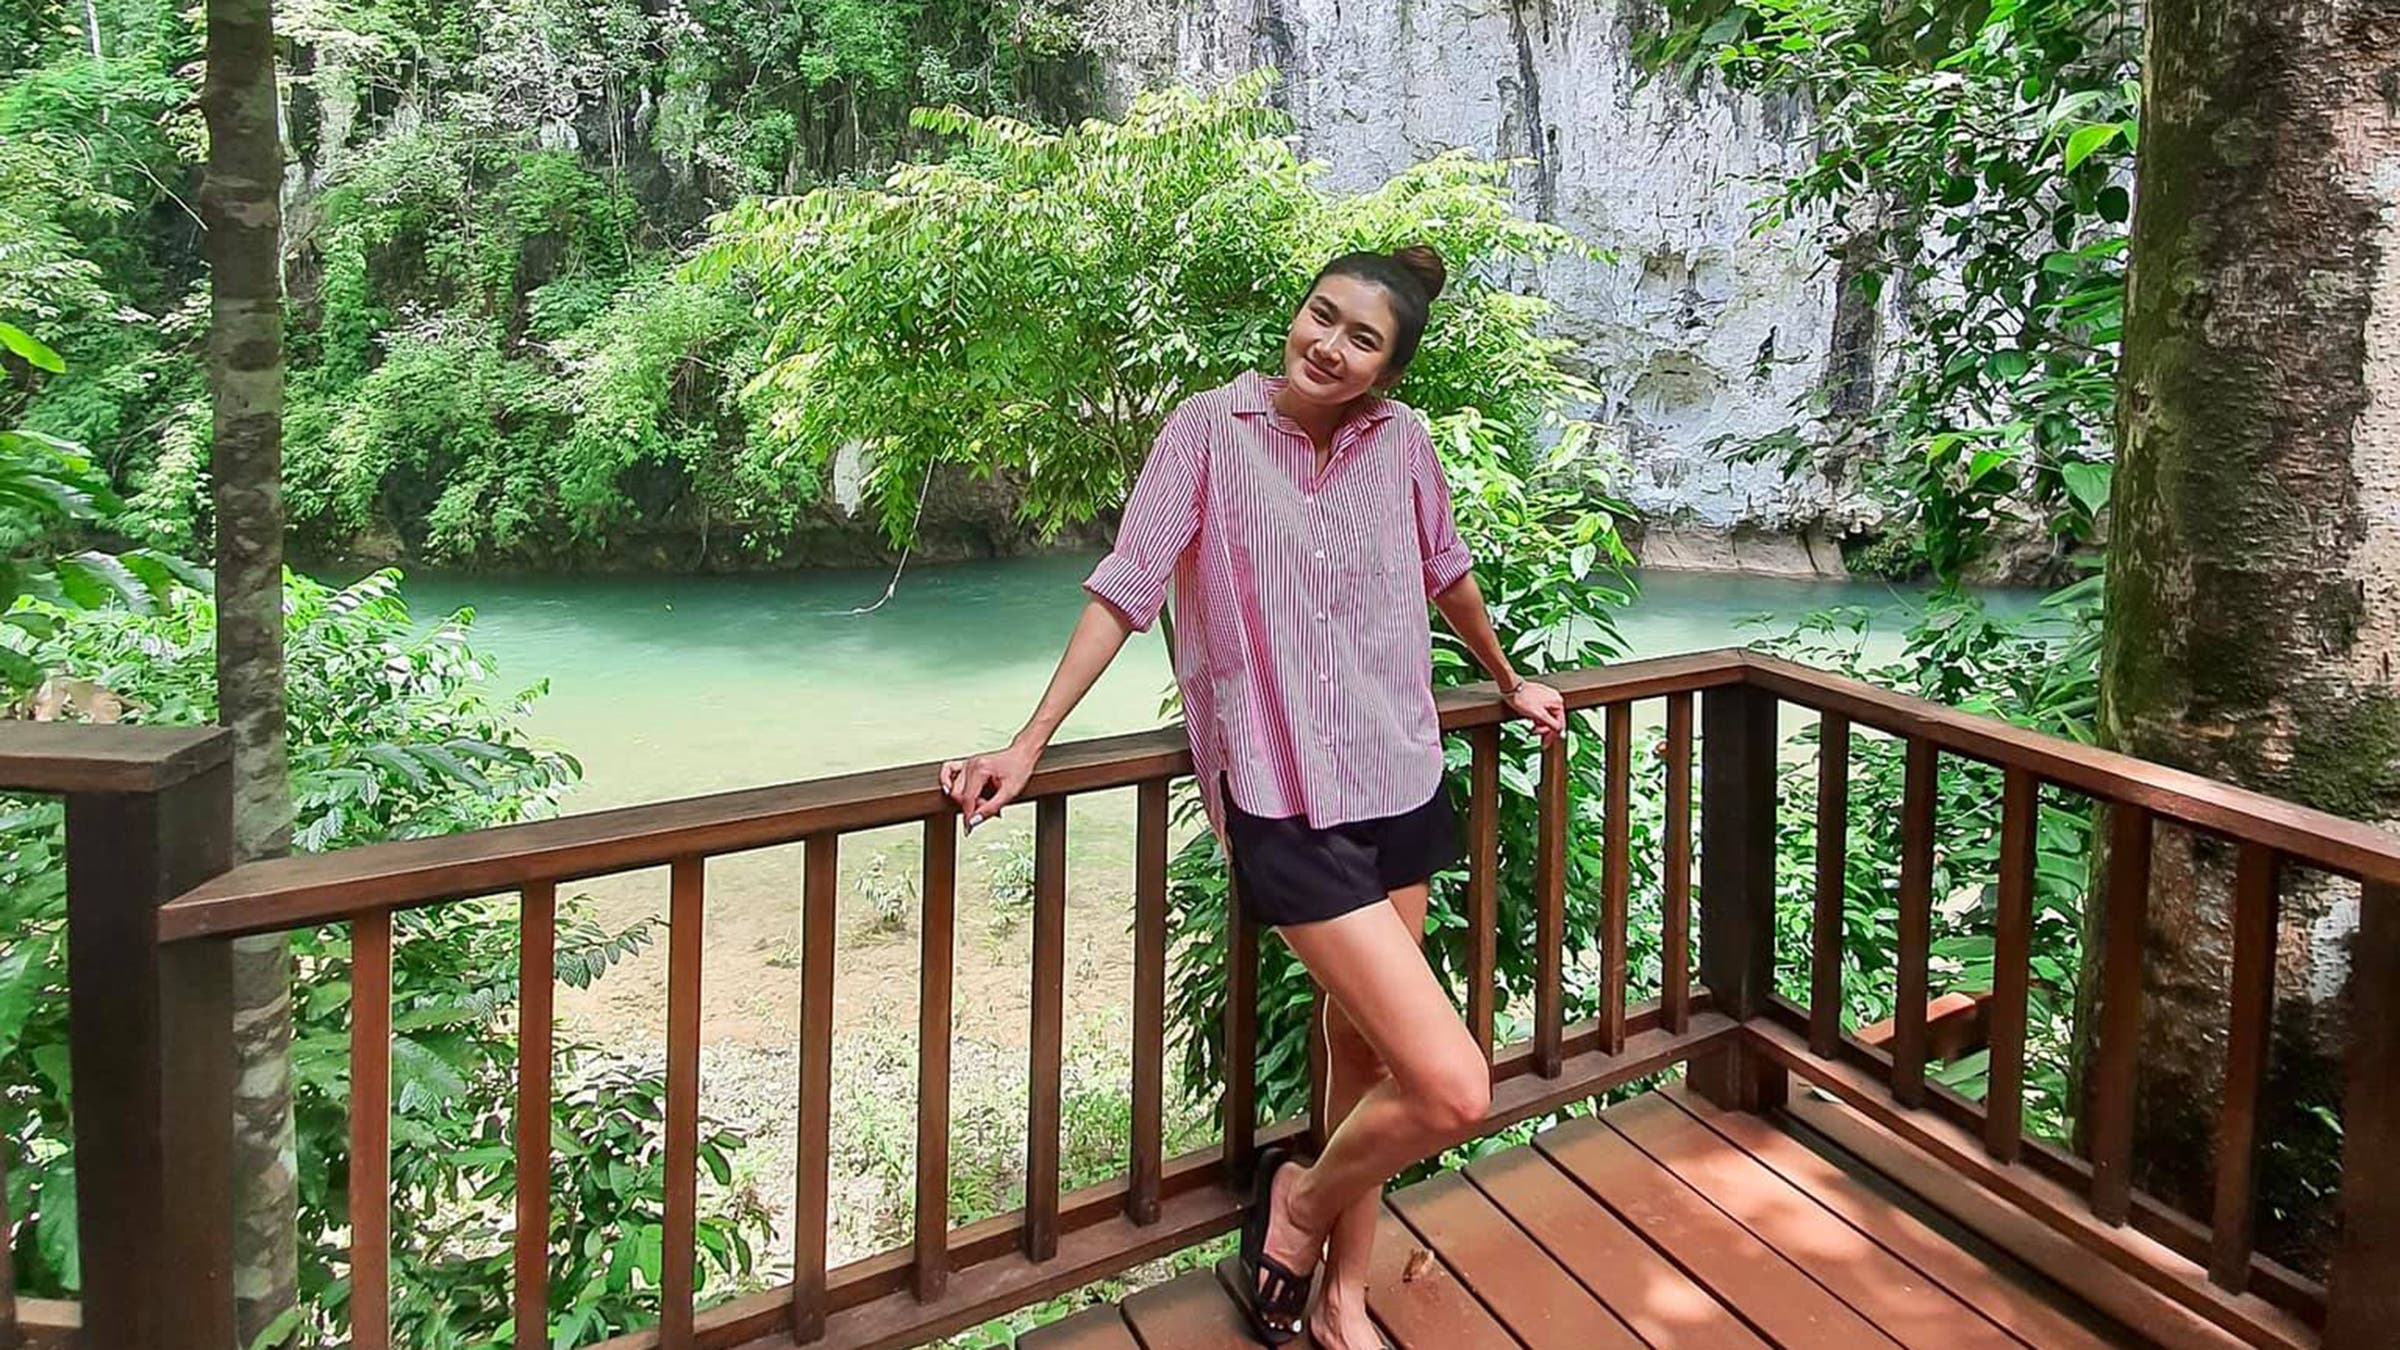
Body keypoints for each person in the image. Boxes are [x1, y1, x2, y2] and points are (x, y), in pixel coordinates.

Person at [938, 244, 1567, 1349]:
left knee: (1367, 1056)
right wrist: (1029, 740)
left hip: (1398, 772)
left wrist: (1509, 681)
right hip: (1281, 792)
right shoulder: (1206, 432)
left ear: (1388, 370)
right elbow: (1126, 588)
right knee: (1453, 1084)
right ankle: (1302, 1206)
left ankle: (1341, 1298)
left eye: (1361, 339)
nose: (1328, 346)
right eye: (1320, 317)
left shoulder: (1403, 444)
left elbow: (1446, 569)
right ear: (1298, 312)